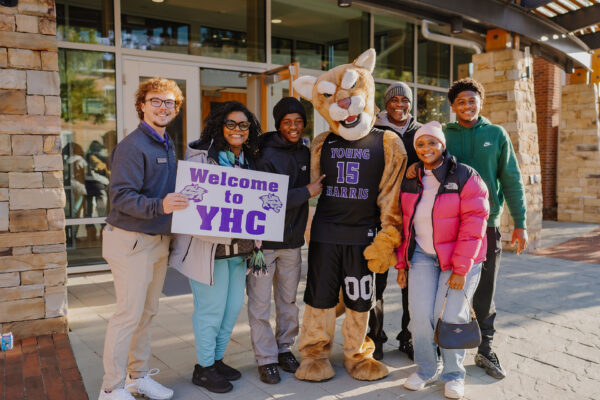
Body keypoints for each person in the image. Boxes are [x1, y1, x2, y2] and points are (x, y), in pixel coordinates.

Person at [99, 78, 189, 400]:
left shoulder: (166, 143)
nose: (163, 107)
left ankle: (136, 379)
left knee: (147, 314)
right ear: (142, 104)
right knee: (128, 315)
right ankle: (111, 388)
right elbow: (120, 197)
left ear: (175, 109)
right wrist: (160, 206)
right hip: (130, 241)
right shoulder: (132, 146)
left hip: (156, 241)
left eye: (169, 103)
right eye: (156, 101)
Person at [169, 101, 261, 394]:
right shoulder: (200, 157)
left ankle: (216, 360)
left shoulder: (249, 158)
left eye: (243, 125)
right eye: (231, 124)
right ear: (220, 125)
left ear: (249, 130)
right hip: (208, 252)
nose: (237, 130)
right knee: (210, 310)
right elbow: (191, 200)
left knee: (232, 308)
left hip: (239, 251)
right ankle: (204, 368)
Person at [396, 121, 489, 399]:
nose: (426, 148)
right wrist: (402, 264)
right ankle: (426, 368)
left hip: (460, 262)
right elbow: (405, 225)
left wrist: (461, 269)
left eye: (432, 142)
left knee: (449, 316)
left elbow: (474, 224)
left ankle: (453, 374)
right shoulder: (412, 178)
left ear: (443, 145)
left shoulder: (465, 176)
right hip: (423, 257)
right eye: (421, 144)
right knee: (420, 316)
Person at [445, 78, 528, 379]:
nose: (468, 106)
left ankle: (485, 349)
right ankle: (446, 347)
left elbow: (511, 180)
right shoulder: (443, 135)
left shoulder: (496, 134)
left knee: (484, 290)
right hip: (449, 227)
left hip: (486, 226)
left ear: (481, 102)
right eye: (461, 102)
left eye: (472, 100)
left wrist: (520, 223)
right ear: (453, 107)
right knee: (447, 288)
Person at [248, 97, 324, 384]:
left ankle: (284, 349)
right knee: (259, 304)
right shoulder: (262, 154)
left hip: (292, 242)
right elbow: (265, 200)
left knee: (288, 302)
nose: (293, 127)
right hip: (263, 245)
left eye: (298, 121)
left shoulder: (306, 153)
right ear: (278, 124)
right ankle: (265, 358)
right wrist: (307, 191)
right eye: (287, 122)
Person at [372, 81, 422, 360]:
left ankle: (409, 336)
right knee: (377, 280)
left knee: (413, 282)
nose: (400, 105)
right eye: (394, 100)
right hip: (380, 217)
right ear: (386, 102)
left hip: (413, 218)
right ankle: (375, 337)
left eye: (405, 100)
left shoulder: (420, 132)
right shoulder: (373, 131)